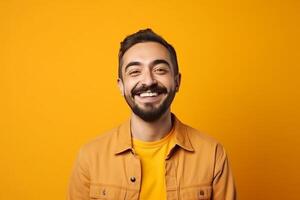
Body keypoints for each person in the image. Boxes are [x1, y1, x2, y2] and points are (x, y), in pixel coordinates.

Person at [67, 28, 236, 200]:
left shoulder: (213, 155)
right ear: (121, 86)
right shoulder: (90, 158)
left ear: (177, 82)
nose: (148, 81)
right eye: (134, 72)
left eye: (160, 70)